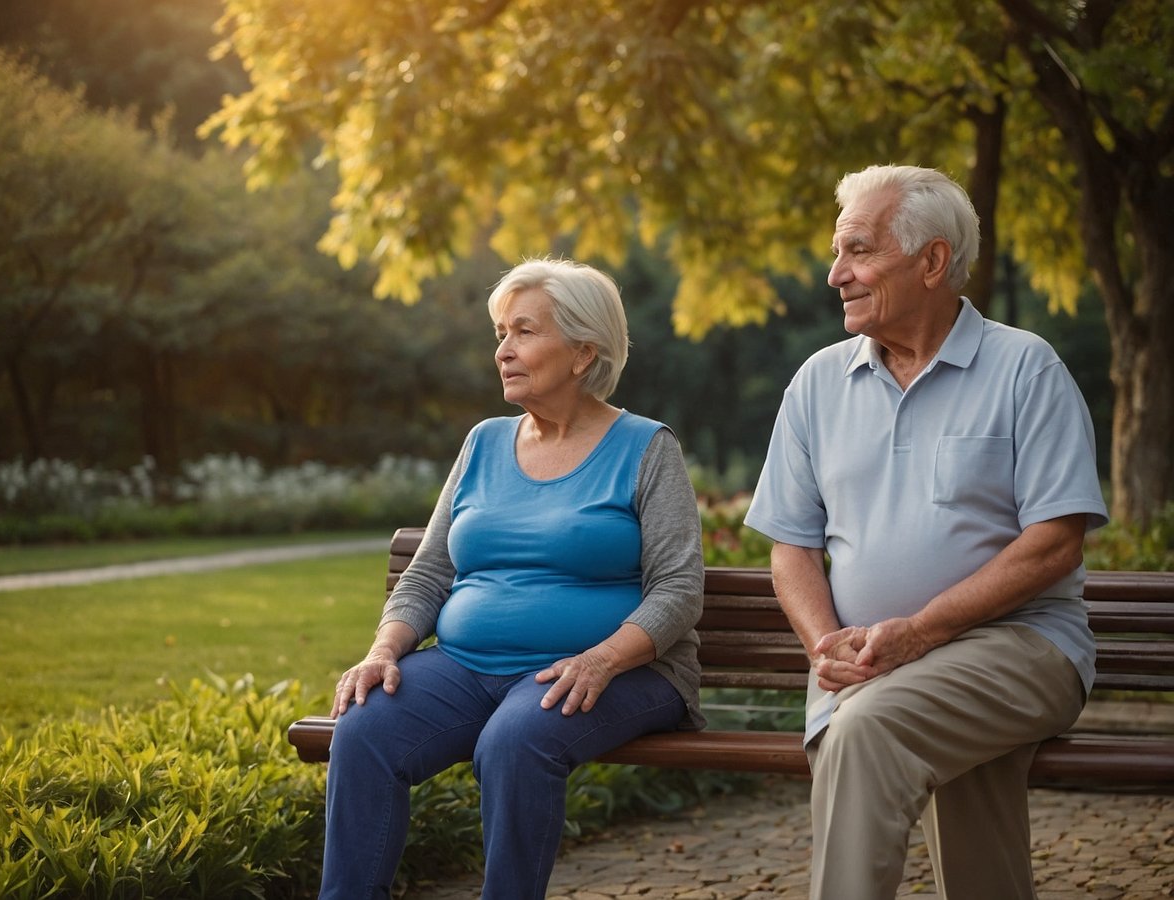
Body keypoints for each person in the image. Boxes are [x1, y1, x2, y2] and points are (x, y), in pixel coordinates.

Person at [744, 165, 1109, 900]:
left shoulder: (1025, 368)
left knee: (866, 733)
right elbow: (791, 550)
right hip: (873, 665)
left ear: (932, 261)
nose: (835, 274)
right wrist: (824, 643)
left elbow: (1054, 543)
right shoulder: (817, 382)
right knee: (961, 780)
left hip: (1020, 646)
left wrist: (924, 630)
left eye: (858, 250)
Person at [320, 258, 705, 900]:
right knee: (364, 727)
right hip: (468, 666)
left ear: (583, 352)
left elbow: (677, 590)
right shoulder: (483, 443)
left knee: (517, 737)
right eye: (501, 333)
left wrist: (602, 659)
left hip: (617, 671)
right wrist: (383, 651)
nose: (503, 351)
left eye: (523, 332)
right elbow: (429, 574)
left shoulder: (646, 447)